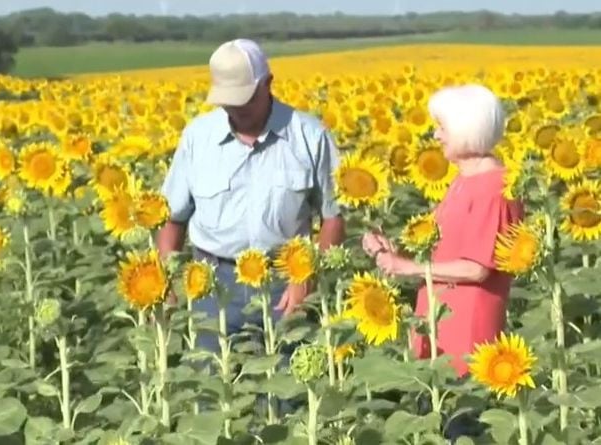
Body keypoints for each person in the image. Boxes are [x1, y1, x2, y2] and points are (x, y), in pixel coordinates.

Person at [156, 38, 345, 356]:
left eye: (245, 99)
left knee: (288, 394)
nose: (237, 109)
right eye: (228, 102)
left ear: (268, 83)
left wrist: (308, 277)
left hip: (284, 282)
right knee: (213, 390)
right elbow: (173, 218)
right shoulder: (198, 138)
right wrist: (164, 288)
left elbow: (333, 216)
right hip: (211, 283)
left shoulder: (309, 136)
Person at [361, 84, 523, 441]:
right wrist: (394, 251)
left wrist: (411, 268)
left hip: (468, 326)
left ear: (467, 130)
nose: (435, 135)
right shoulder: (465, 180)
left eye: (443, 127)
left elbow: (478, 267)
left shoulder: (494, 187)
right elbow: (444, 244)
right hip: (439, 318)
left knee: (460, 420)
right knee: (436, 416)